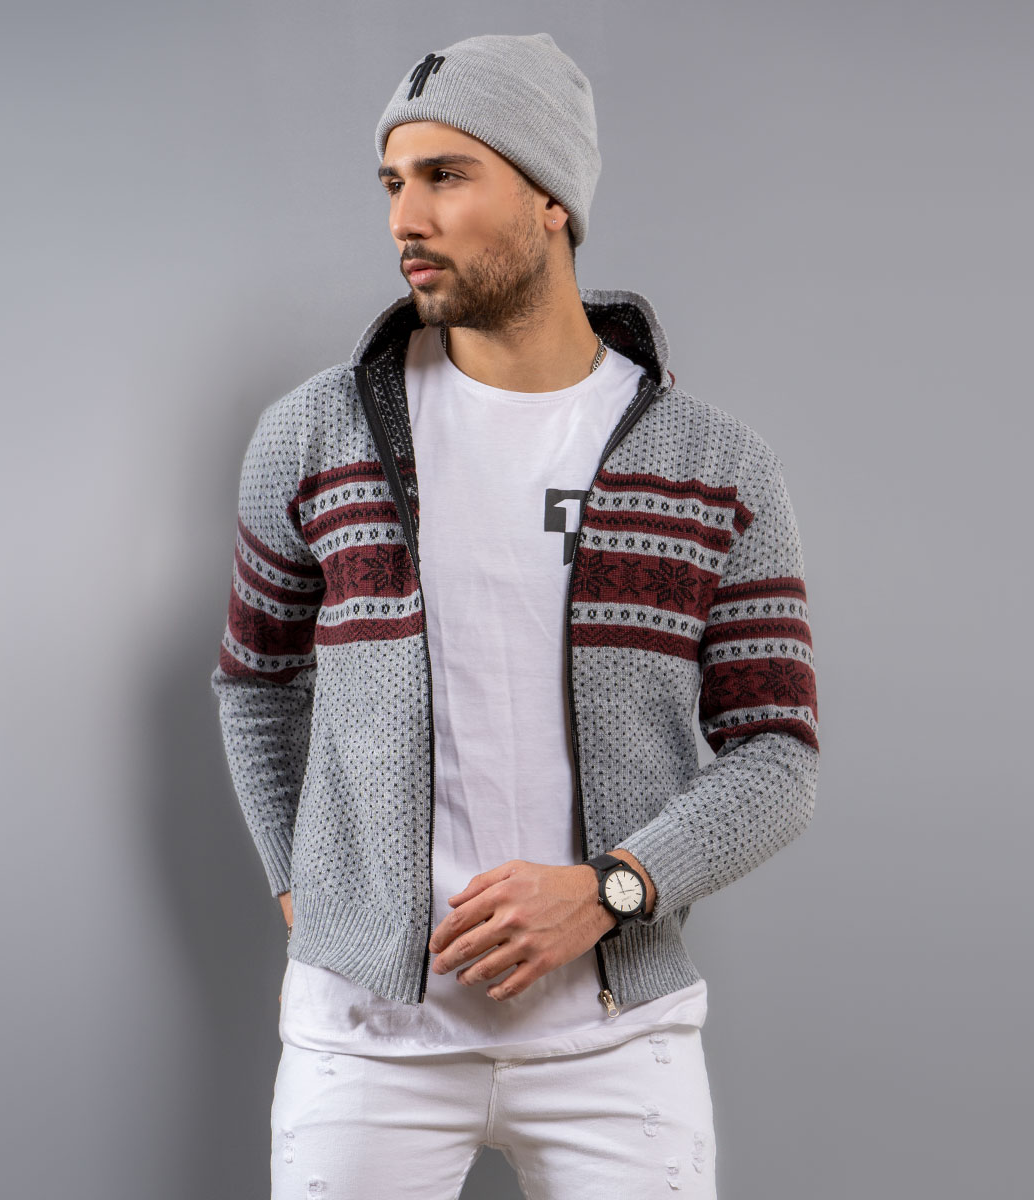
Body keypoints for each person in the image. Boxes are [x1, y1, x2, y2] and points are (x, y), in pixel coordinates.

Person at [210, 31, 819, 1200]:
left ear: (552, 199)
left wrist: (611, 888)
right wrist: (306, 882)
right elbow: (254, 680)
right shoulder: (315, 438)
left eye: (447, 175)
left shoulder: (713, 467)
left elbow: (778, 755)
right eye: (393, 182)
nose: (406, 217)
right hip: (366, 1042)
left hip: (617, 1047)